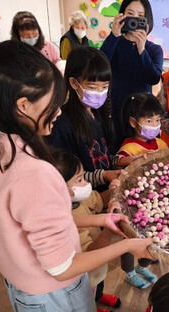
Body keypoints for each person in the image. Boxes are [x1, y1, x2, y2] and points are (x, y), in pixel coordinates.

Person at [0, 39, 153, 312]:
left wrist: (98, 219)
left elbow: (29, 225)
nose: (61, 111)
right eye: (54, 103)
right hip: (56, 299)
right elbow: (62, 267)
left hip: (24, 293)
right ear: (23, 105)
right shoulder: (34, 172)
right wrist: (127, 246)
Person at [51, 151, 123, 312]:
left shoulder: (79, 199)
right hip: (85, 270)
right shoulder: (66, 221)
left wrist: (113, 191)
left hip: (96, 269)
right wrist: (108, 230)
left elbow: (98, 199)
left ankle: (97, 296)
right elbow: (91, 251)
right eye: (79, 180)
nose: (86, 183)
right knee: (85, 295)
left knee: (98, 283)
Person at [47, 46, 124, 204]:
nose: (99, 93)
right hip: (86, 204)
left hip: (109, 193)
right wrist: (103, 175)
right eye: (92, 88)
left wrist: (122, 161)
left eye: (104, 87)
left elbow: (104, 157)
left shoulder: (99, 115)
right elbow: (66, 176)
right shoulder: (62, 125)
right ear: (74, 83)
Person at [100, 0, 163, 151]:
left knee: (146, 153)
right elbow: (100, 66)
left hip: (143, 114)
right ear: (121, 16)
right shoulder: (114, 43)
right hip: (116, 108)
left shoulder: (154, 49)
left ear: (148, 20)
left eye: (140, 16)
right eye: (130, 14)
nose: (134, 19)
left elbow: (154, 78)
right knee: (118, 151)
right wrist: (114, 35)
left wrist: (142, 50)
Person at [117, 92, 165, 288]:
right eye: (148, 120)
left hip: (156, 202)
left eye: (157, 120)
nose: (154, 125)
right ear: (133, 122)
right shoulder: (130, 147)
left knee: (151, 239)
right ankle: (128, 271)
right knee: (130, 238)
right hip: (133, 205)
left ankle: (142, 266)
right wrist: (135, 159)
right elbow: (120, 161)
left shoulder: (161, 143)